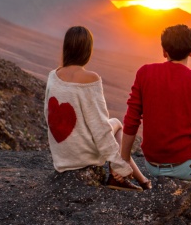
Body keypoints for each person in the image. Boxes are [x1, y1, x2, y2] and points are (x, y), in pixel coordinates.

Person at [121, 24, 191, 211]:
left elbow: (131, 120)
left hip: (152, 166)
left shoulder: (144, 73)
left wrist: (124, 158)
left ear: (164, 51)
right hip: (186, 167)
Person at [44, 26, 150, 191]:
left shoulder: (53, 76)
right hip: (83, 156)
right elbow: (100, 128)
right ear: (88, 50)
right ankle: (122, 178)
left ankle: (143, 181)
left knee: (111, 124)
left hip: (62, 157)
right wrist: (119, 165)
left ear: (66, 47)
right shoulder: (91, 79)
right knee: (115, 124)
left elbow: (48, 115)